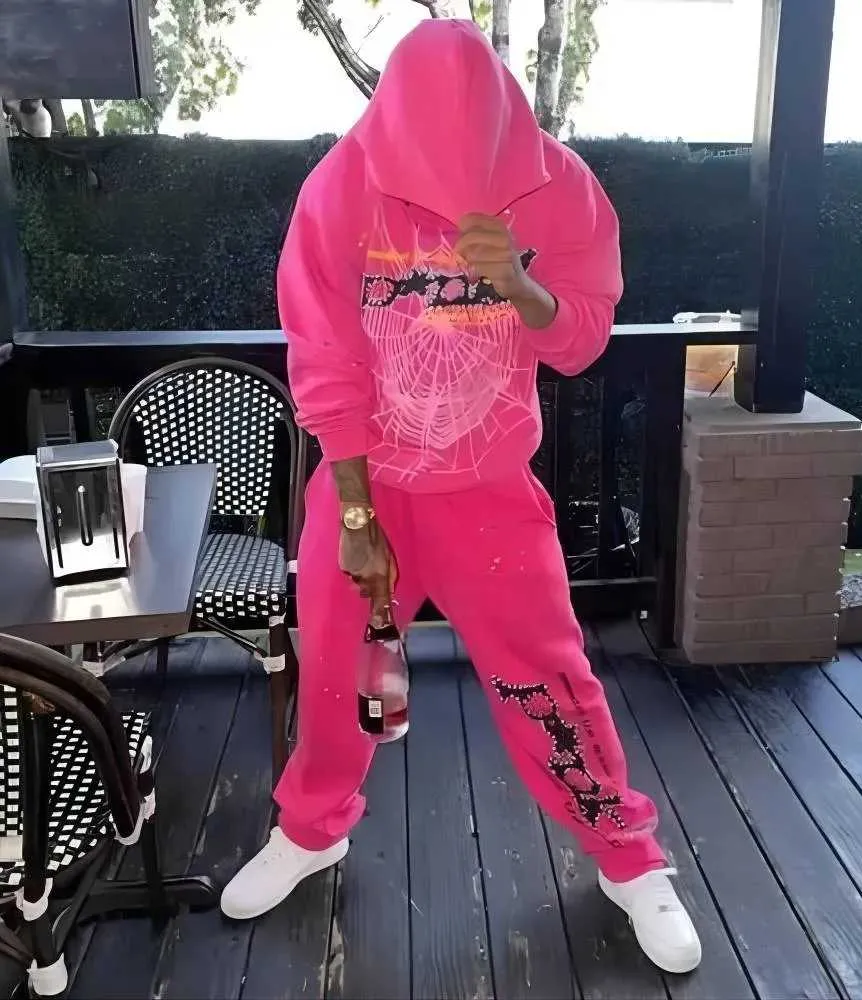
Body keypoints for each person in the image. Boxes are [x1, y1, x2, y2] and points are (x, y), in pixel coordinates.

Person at [220, 17, 701, 975]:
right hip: (368, 483)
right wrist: (357, 516)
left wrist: (518, 282)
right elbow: (324, 357)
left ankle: (627, 854)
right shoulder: (341, 186)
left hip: (488, 489)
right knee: (336, 671)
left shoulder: (557, 184)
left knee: (548, 677)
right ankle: (311, 829)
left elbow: (582, 341)